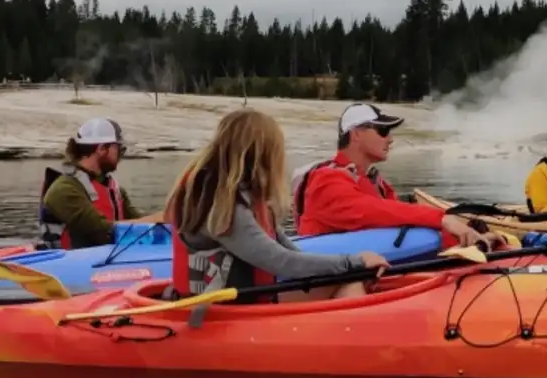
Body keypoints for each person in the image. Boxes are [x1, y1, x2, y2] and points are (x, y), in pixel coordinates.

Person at [165, 108, 389, 302]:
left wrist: (351, 268)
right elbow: (282, 262)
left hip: (246, 300)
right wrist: (355, 262)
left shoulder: (246, 195)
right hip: (217, 312)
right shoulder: (220, 202)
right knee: (349, 281)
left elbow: (290, 252)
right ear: (260, 152)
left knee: (349, 281)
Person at [292, 102, 505, 250]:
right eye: (383, 131)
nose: (390, 139)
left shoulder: (376, 182)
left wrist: (466, 235)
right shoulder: (325, 180)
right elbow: (368, 211)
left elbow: (402, 223)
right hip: (334, 284)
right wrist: (442, 219)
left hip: (376, 269)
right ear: (356, 133)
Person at [38, 118, 146, 249]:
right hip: (70, 265)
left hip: (107, 261)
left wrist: (167, 219)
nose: (120, 155)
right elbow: (103, 231)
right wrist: (161, 219)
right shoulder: (64, 190)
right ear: (101, 149)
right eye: (119, 148)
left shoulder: (115, 190)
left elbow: (142, 223)